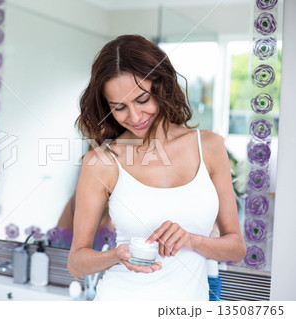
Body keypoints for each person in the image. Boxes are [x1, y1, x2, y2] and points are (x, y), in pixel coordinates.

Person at [67, 34, 246, 301]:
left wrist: (193, 240)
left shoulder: (208, 146)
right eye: (119, 108)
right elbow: (76, 263)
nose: (135, 117)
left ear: (161, 86)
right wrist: (117, 255)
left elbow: (236, 248)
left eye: (142, 100)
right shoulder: (102, 162)